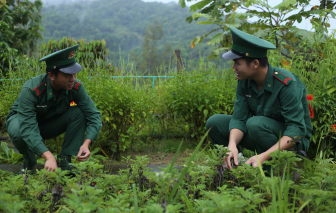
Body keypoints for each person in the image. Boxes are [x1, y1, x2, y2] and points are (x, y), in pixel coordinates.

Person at [206, 27, 312, 170]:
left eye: (237, 63)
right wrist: (231, 146)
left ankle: (276, 171)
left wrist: (264, 155)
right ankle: (238, 167)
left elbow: (297, 130)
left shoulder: (286, 84)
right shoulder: (245, 80)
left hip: (292, 145)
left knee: (255, 124)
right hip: (262, 132)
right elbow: (239, 118)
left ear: (255, 64)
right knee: (215, 122)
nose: (233, 67)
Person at [5, 45, 102, 174]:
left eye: (74, 73)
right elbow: (28, 127)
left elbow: (94, 116)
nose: (73, 78)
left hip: (47, 124)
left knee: (79, 113)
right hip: (22, 122)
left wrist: (86, 144)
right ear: (51, 75)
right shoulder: (32, 89)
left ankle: (66, 162)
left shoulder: (75, 87)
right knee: (19, 132)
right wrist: (48, 156)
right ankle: (29, 164)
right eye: (67, 74)